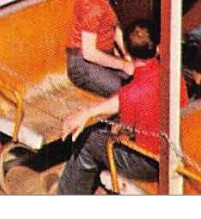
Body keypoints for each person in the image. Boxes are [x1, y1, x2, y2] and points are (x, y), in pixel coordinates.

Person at [57, 20, 188, 195]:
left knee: (88, 140)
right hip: (178, 151)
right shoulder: (174, 76)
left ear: (127, 51)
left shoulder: (130, 92)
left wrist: (109, 128)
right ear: (157, 48)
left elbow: (124, 133)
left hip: (150, 164)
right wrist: (89, 113)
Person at [66, 0, 136, 97]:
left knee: (142, 80)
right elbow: (89, 52)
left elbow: (114, 27)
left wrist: (127, 55)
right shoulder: (92, 2)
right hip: (84, 65)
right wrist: (124, 64)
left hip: (104, 58)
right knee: (127, 94)